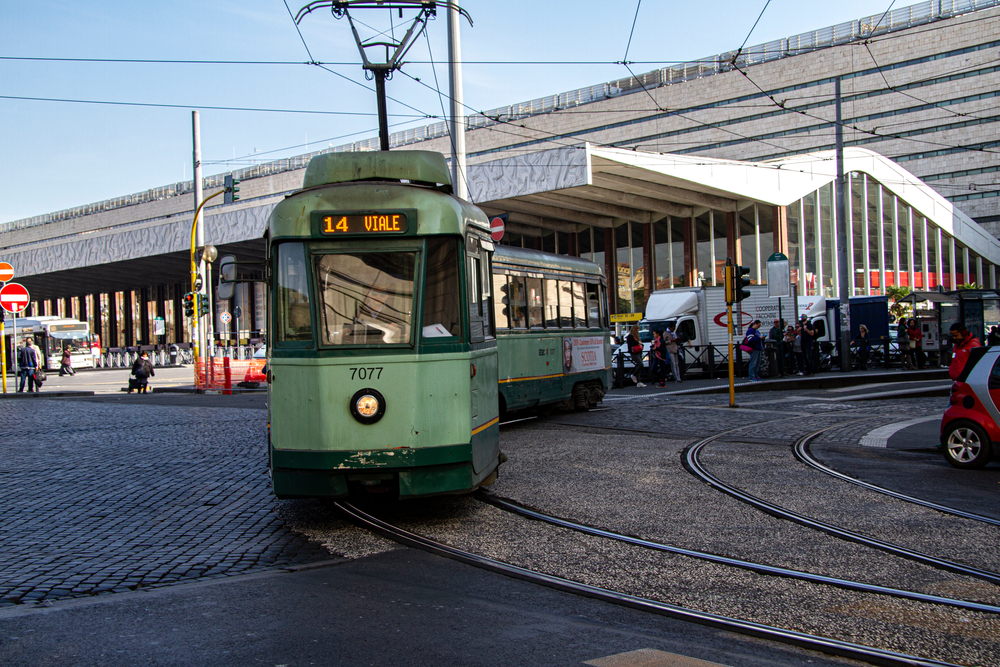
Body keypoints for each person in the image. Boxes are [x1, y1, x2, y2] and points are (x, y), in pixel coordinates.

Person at [626, 323, 645, 388]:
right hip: (634, 353)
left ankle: (639, 382)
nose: (638, 330)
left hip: (638, 352)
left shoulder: (637, 336)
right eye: (637, 329)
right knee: (640, 364)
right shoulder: (630, 336)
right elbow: (630, 344)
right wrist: (637, 343)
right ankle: (633, 375)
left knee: (638, 366)